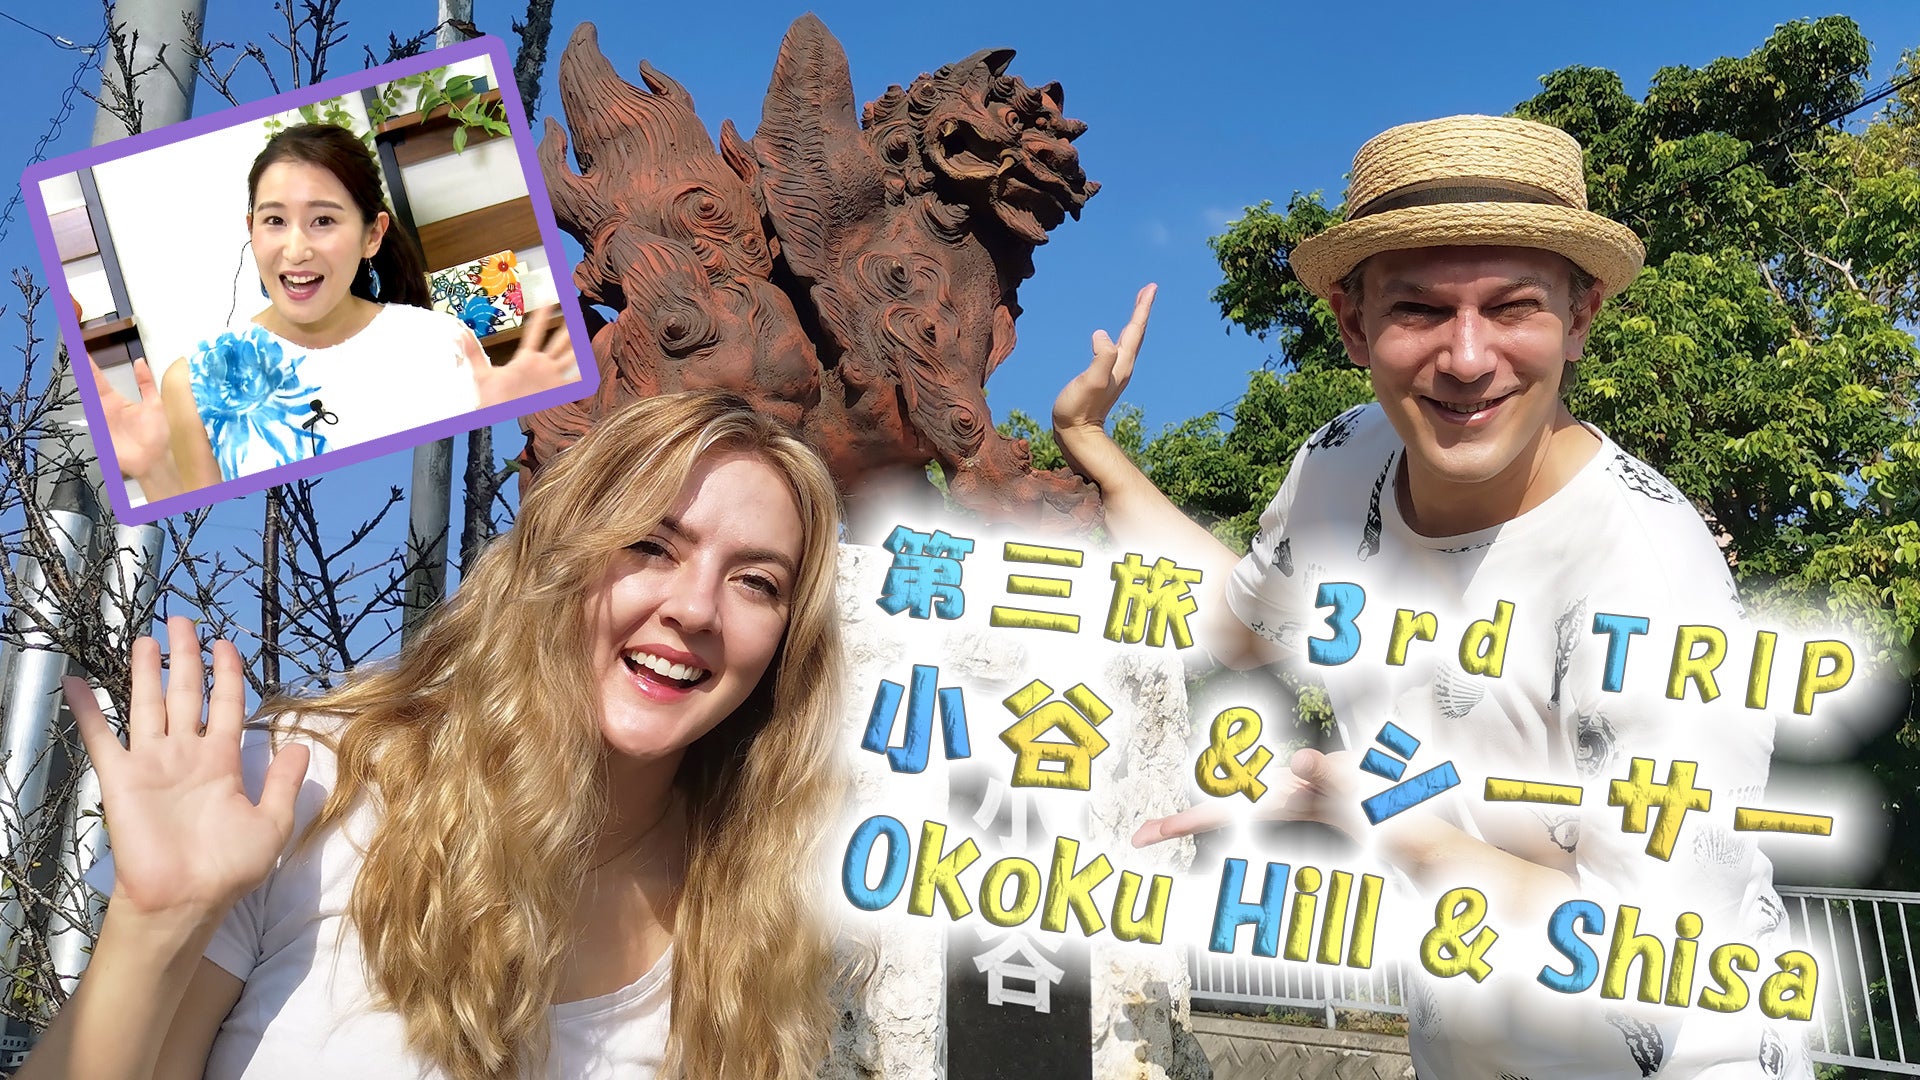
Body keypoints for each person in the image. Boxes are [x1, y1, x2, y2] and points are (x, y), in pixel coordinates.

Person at [1055, 116, 1810, 1077]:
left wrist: (1393, 825)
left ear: (1580, 318)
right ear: (1353, 325)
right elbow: (1239, 628)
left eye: (1513, 307)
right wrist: (1092, 442)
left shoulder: (1654, 587)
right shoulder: (1343, 463)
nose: (1466, 357)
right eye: (1418, 310)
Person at [25, 390, 847, 1079]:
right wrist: (154, 924)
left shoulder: (759, 926)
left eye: (756, 582)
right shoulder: (309, 787)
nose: (697, 609)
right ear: (559, 558)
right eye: (652, 546)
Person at [89, 123, 581, 500]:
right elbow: (201, 536)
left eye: (323, 220)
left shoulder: (441, 343)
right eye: (275, 221)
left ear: (372, 235)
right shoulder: (193, 381)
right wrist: (153, 469)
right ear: (251, 229)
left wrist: (509, 417)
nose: (296, 249)